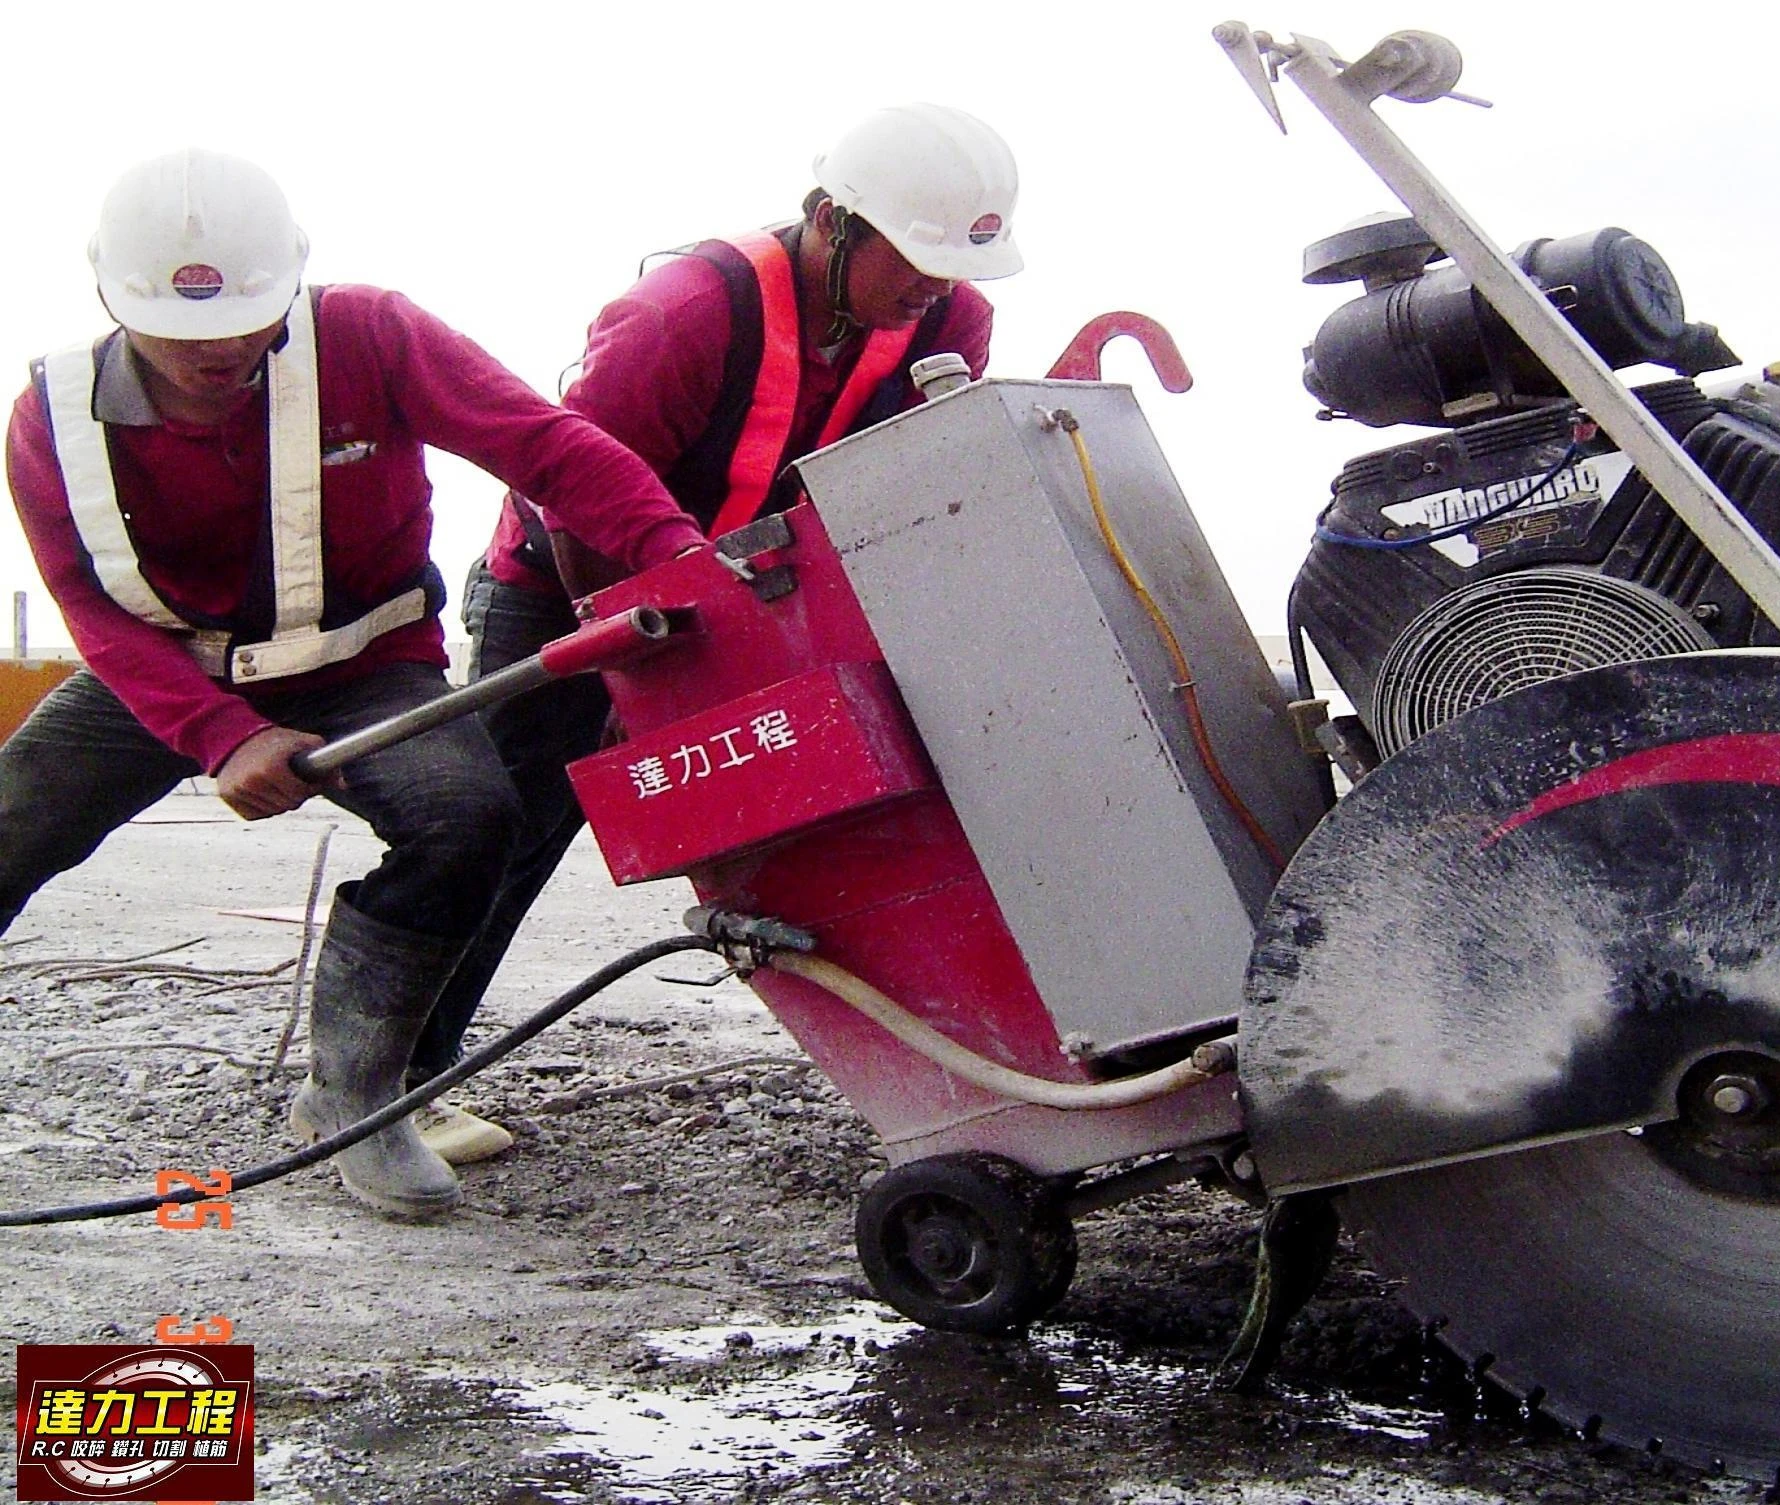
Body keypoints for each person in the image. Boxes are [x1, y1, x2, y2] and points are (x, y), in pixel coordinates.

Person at [0, 148, 722, 1219]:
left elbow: (552, 451)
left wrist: (680, 556)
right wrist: (216, 732)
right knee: (13, 819)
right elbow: (97, 613)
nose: (223, 351)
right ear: (116, 299)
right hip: (168, 674)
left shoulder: (371, 336)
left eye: (247, 318)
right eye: (187, 333)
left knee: (470, 820)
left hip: (365, 666)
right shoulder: (48, 425)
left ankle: (356, 1095)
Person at [405, 103, 1023, 1161]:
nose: (932, 285)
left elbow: (890, 489)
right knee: (507, 826)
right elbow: (571, 492)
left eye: (949, 263)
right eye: (912, 256)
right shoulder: (685, 313)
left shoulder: (946, 319)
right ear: (831, 219)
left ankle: (944, 1059)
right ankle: (396, 1077)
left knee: (833, 800)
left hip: (749, 597)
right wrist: (645, 648)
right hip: (568, 587)